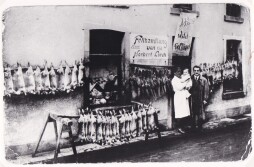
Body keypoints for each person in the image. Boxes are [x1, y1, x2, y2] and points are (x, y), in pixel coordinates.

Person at [171, 67, 191, 134]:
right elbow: (180, 87)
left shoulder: (180, 78)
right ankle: (178, 127)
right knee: (179, 113)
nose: (180, 73)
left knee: (184, 112)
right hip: (178, 97)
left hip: (183, 96)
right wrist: (186, 82)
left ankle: (183, 126)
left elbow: (185, 85)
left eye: (180, 71)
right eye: (178, 71)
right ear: (175, 73)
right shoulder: (174, 80)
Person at [190, 65, 209, 130]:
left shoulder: (204, 80)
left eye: (197, 70)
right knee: (193, 113)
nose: (196, 72)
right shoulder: (190, 79)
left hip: (200, 98)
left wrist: (205, 99)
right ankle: (193, 127)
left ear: (200, 71)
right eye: (195, 70)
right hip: (192, 99)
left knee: (200, 113)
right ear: (193, 71)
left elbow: (206, 90)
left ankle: (200, 127)